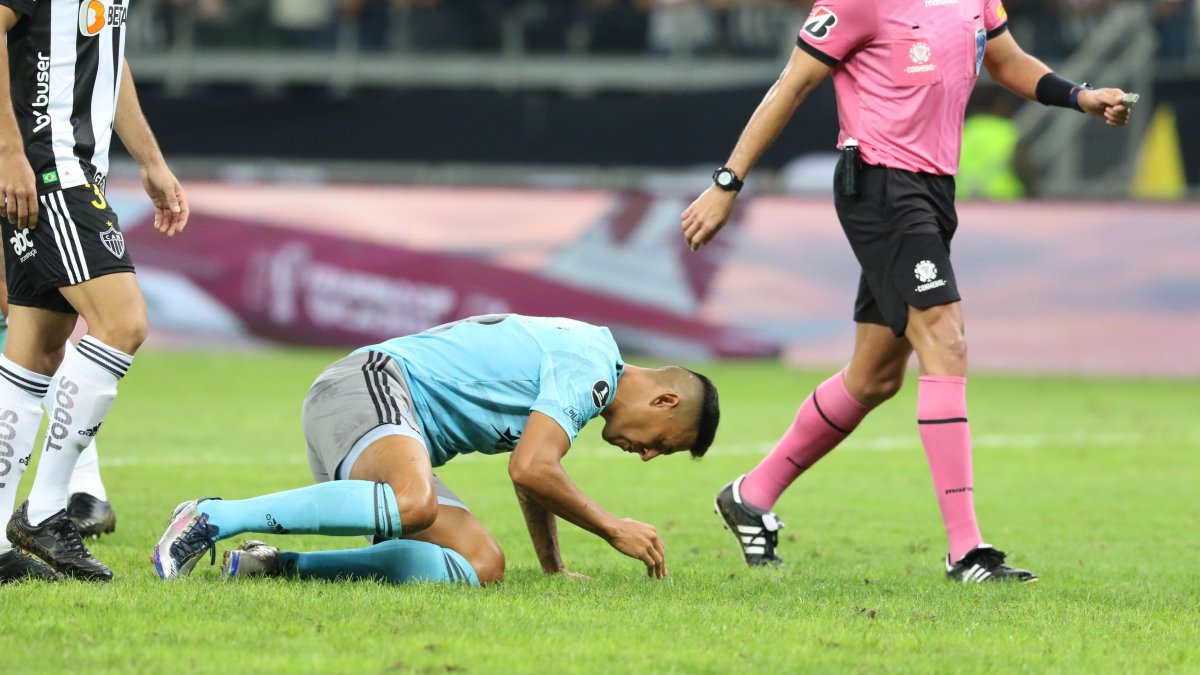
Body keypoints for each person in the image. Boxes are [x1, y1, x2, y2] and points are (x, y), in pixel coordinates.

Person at [682, 0, 1133, 583]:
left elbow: (1007, 61)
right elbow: (791, 85)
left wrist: (1080, 96)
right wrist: (728, 182)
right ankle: (966, 552)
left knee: (874, 377)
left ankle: (751, 494)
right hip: (881, 184)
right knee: (945, 339)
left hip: (933, 191)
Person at [153, 314, 720, 586]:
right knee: (414, 501)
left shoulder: (587, 369)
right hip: (368, 385)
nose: (648, 455)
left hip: (379, 430)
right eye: (662, 445)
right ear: (665, 400)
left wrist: (553, 568)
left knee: (482, 566)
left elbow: (532, 474)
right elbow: (531, 468)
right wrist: (612, 528)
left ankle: (273, 568)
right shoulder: (592, 368)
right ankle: (211, 517)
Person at [0, 0, 189, 583]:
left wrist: (150, 160)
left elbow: (109, 53)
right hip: (49, 167)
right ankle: (46, 509)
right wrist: (8, 151)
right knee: (123, 322)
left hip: (75, 168)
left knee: (35, 349)